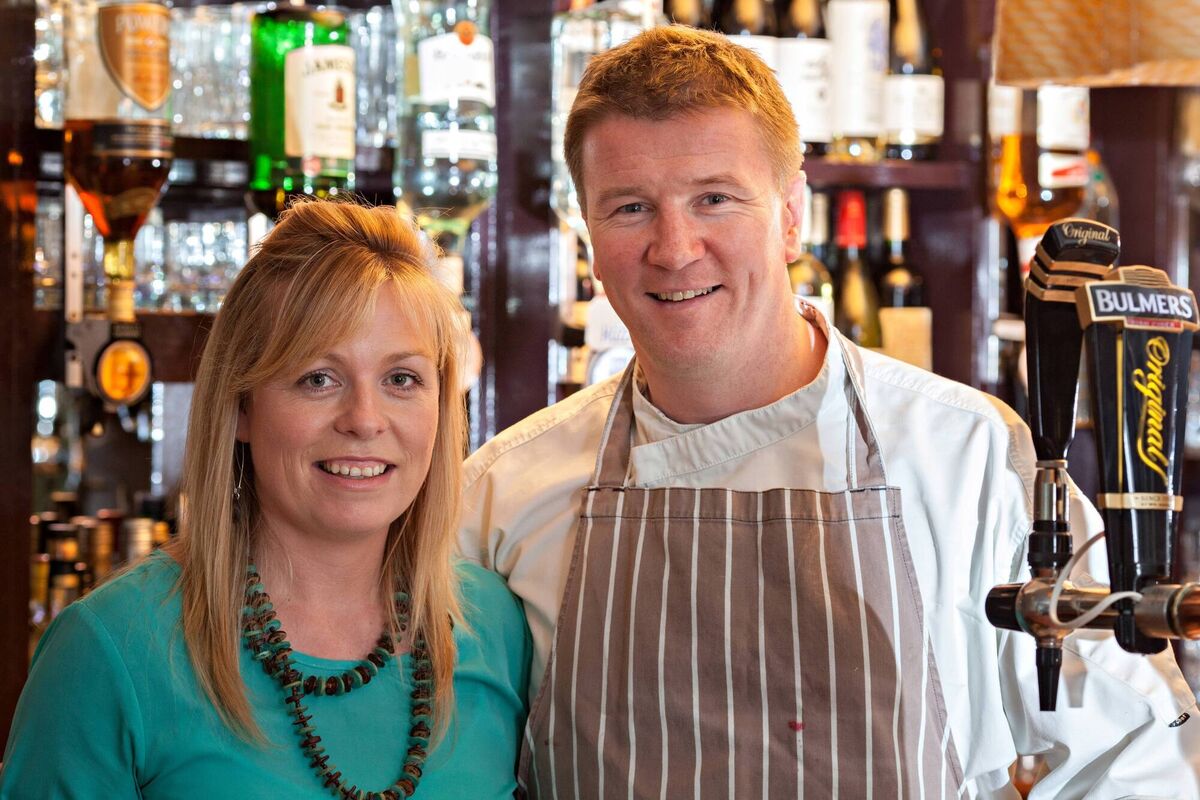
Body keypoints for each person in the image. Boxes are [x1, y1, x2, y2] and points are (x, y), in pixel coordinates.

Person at [458, 25, 1200, 798]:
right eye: (630, 208)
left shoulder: (967, 455)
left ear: (790, 214)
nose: (674, 248)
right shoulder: (504, 496)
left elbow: (1134, 762)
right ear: (586, 228)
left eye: (715, 198)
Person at [1, 200, 530, 798]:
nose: (364, 419)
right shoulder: (110, 650)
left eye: (401, 379)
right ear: (242, 405)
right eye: (317, 379)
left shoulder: (495, 625)